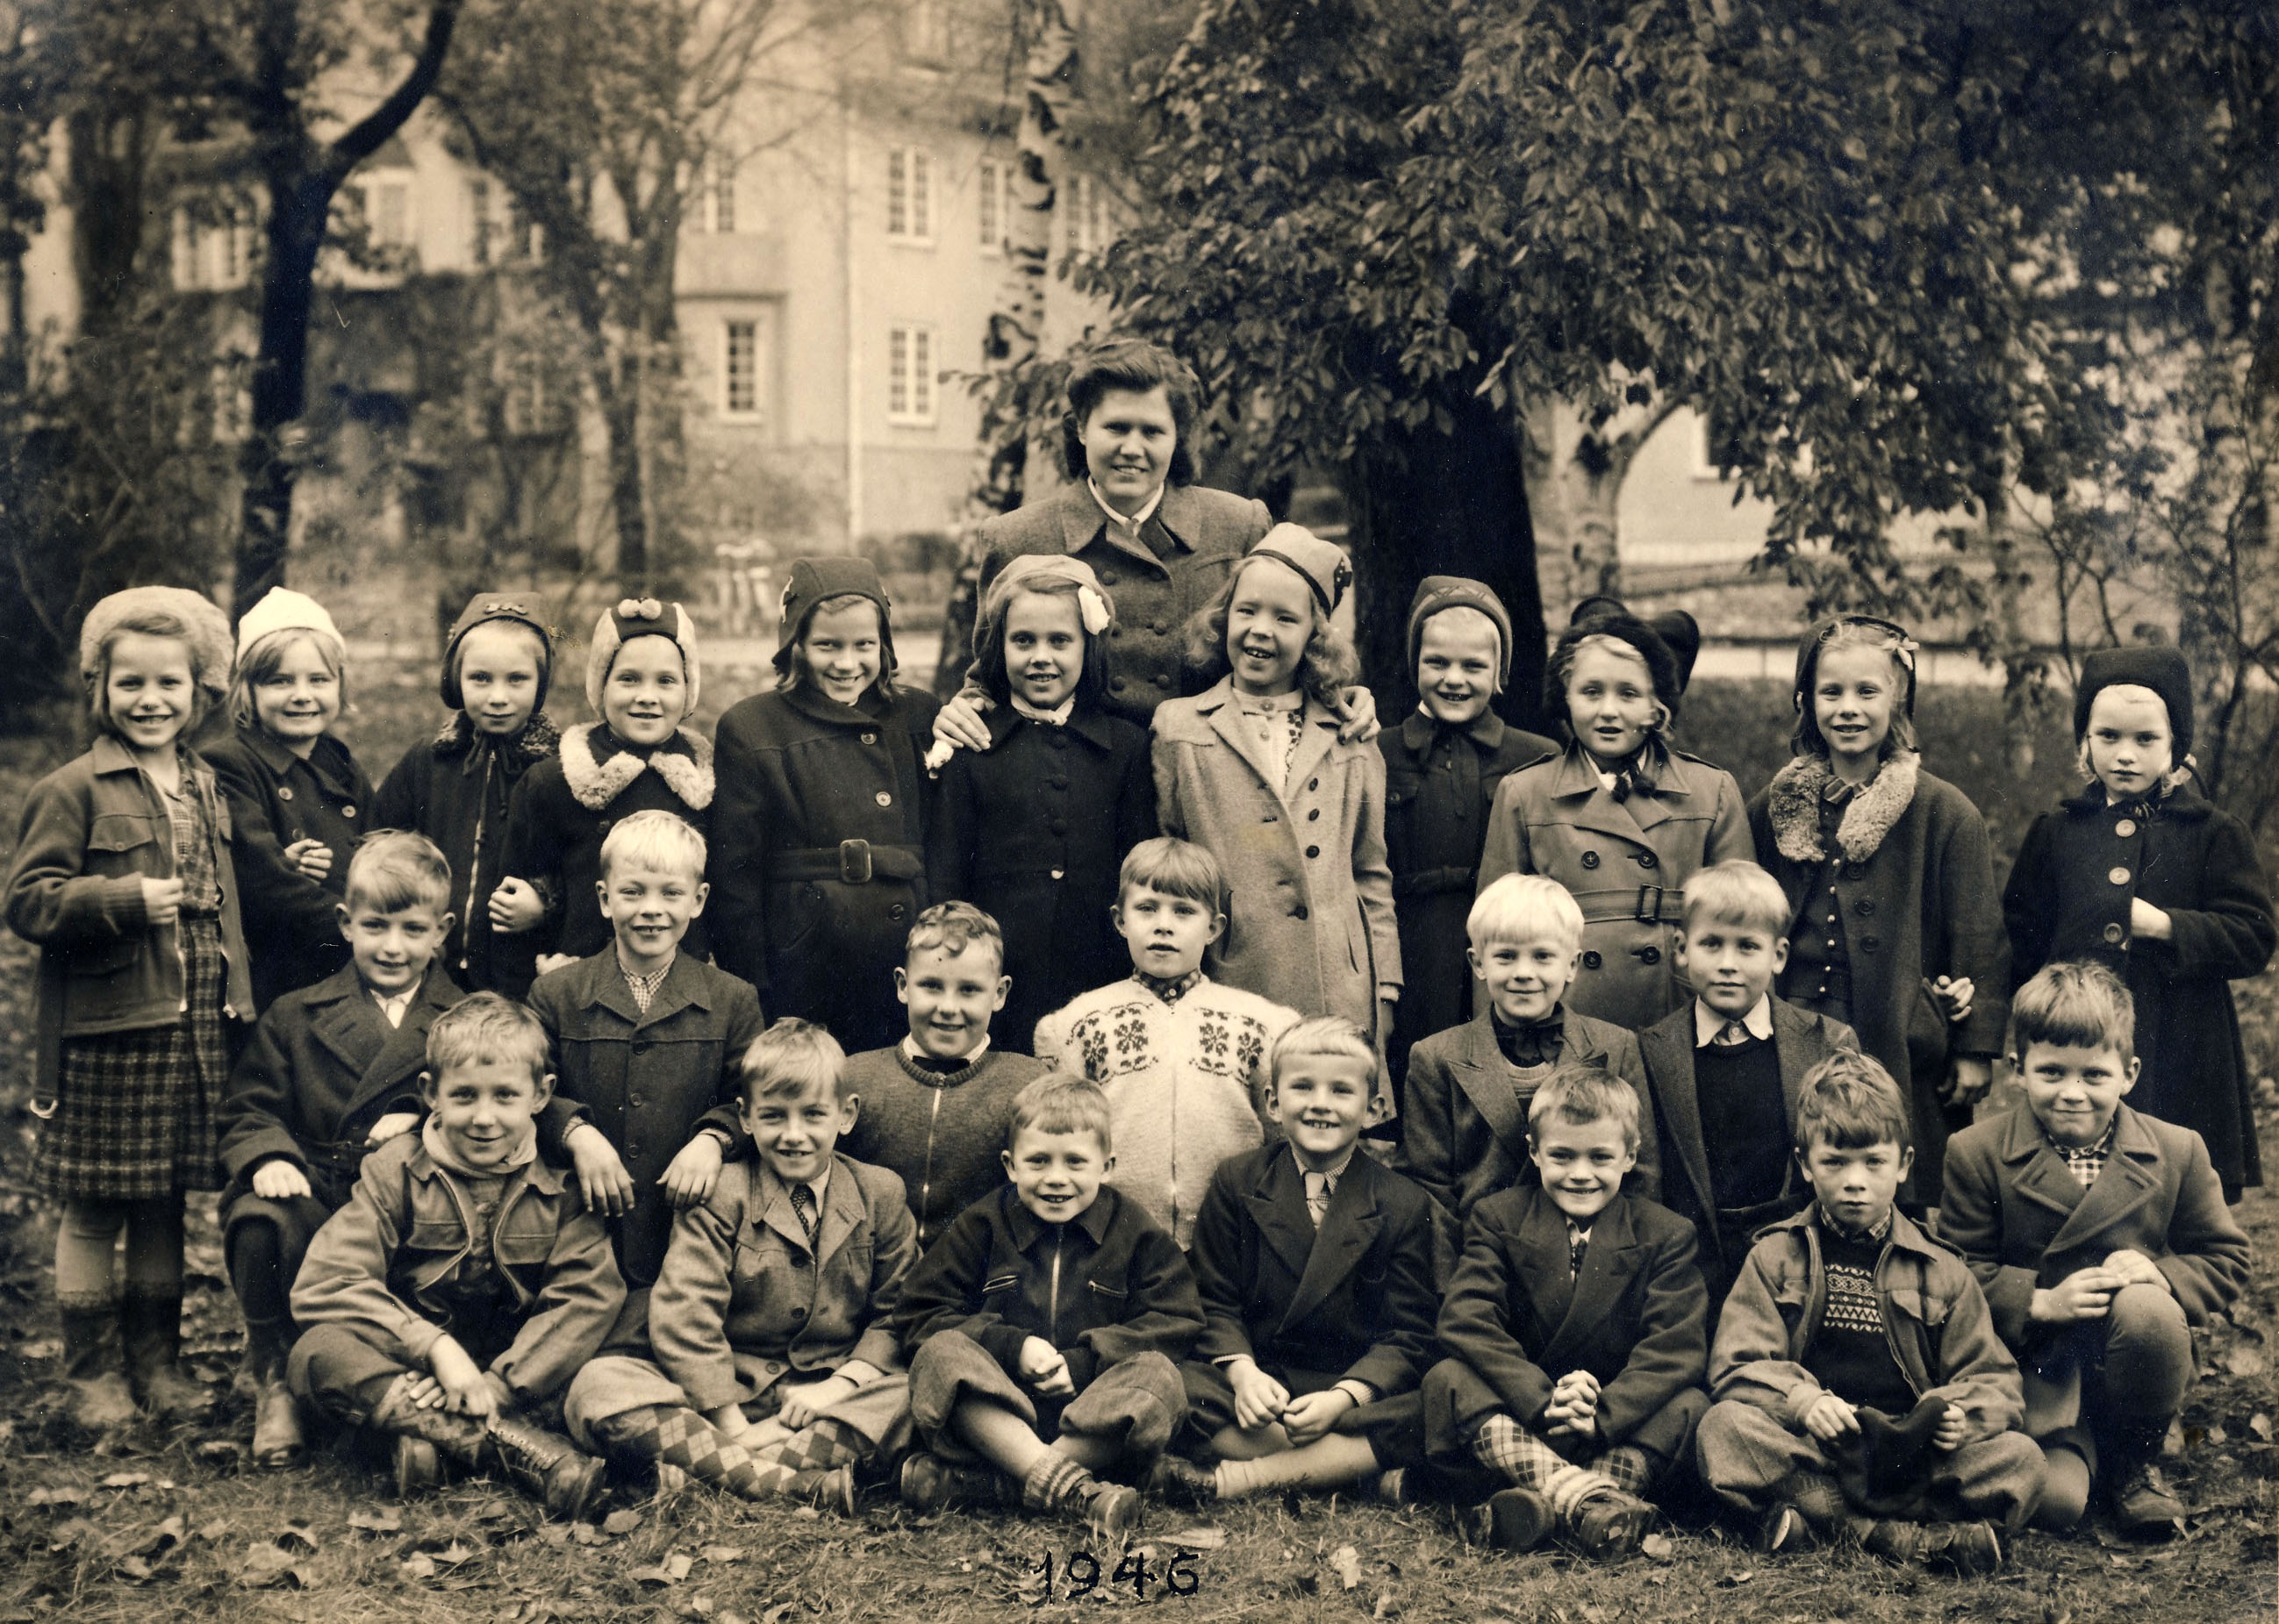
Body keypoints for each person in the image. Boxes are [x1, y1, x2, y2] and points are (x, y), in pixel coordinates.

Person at [6, 587, 252, 1428]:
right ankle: (90, 1377)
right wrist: (118, 899)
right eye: (130, 683)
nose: (150, 700)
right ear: (100, 689)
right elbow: (28, 901)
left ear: (199, 691)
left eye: (169, 683)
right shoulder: (72, 787)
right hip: (109, 1033)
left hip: (194, 1030)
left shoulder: (207, 783)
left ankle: (157, 1366)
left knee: (164, 1199)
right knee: (93, 1204)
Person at [930, 336, 1381, 745]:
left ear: (1177, 438)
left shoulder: (1238, 524)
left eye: (1152, 432)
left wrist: (1344, 697)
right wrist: (962, 712)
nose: (1132, 448)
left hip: (1212, 773)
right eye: (1116, 428)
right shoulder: (1018, 537)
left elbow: (1295, 652)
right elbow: (989, 680)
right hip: (1081, 783)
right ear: (1082, 429)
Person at [1695, 1053, 2042, 1571]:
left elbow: (1995, 1380)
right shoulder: (1774, 1256)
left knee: (2022, 1459)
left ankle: (1824, 1523)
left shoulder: (1942, 1269)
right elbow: (1737, 1366)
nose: (1854, 1181)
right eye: (1835, 1162)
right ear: (1805, 1164)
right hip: (1820, 1447)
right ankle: (1902, 1537)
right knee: (1722, 1428)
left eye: (1874, 1163)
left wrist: (1960, 1417)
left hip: (1913, 1453)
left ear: (1903, 1164)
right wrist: (1802, 1402)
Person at [1940, 962, 2250, 1537]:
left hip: (2132, 1361)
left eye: (2094, 1074)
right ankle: (2067, 1451)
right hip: (2034, 1366)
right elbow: (1952, 1273)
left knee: (2148, 1311)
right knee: (2057, 1503)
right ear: (2017, 1069)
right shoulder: (1975, 1151)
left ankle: (2134, 1460)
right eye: (2051, 1072)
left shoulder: (2177, 1149)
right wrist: (2038, 1301)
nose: (2072, 1092)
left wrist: (2161, 1275)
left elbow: (2226, 1257)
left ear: (2128, 1074)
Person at [287, 994, 623, 1517]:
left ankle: (434, 1443)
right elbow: (328, 1281)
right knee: (315, 1353)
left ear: (541, 1095)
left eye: (505, 1096)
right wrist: (436, 1350)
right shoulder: (395, 1169)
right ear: (431, 1094)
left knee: (610, 1345)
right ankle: (524, 1454)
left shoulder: (564, 1182)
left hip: (524, 1373)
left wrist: (500, 1385)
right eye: (464, 1095)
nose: (484, 1118)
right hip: (413, 1367)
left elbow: (585, 1297)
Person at [563, 1019, 918, 1513]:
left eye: (813, 1115)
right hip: (725, 1395)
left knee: (913, 1394)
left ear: (846, 1114)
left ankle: (716, 1468)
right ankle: (792, 1482)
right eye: (773, 1117)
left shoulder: (880, 1192)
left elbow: (898, 1312)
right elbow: (686, 1314)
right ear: (746, 1118)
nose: (794, 1135)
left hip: (826, 1398)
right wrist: (731, 1423)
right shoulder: (721, 1193)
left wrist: (838, 1388)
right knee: (598, 1386)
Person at [218, 831, 462, 1466]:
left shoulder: (465, 1019)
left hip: (415, 1204)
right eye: (375, 926)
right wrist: (270, 1155)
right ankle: (276, 1376)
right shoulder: (297, 1014)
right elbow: (249, 1105)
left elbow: (491, 1101)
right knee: (261, 1217)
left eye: (413, 929)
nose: (392, 946)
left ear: (441, 932)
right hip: (320, 1190)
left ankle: (396, 1396)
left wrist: (425, 1119)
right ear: (346, 923)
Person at [1749, 616, 2009, 1209]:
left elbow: (1978, 936)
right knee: (1799, 1170)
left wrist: (1974, 1047)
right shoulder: (1771, 808)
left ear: (1897, 698)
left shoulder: (1943, 812)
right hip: (1795, 1021)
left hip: (1898, 1029)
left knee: (1892, 1176)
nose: (1848, 708)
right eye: (1830, 692)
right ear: (1805, 701)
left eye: (1867, 691)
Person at [2003, 646, 2275, 1202]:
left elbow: (2253, 936)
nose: (2125, 755)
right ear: (2085, 741)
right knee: (2078, 1190)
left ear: (2176, 744)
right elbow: (2021, 940)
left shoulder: (2214, 832)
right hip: (2079, 1046)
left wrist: (2167, 926)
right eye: (2108, 736)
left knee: (2176, 1190)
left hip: (2183, 1044)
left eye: (2146, 739)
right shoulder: (2057, 832)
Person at [894, 1073, 1204, 1535]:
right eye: (1038, 1161)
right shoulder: (983, 1224)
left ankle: (1000, 1483)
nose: (1056, 1178)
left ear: (1106, 1166)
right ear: (1010, 1165)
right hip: (997, 1411)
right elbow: (921, 1310)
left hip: (1094, 1413)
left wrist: (1083, 1362)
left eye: (1075, 1161)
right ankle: (1076, 1491)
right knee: (939, 1354)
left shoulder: (1135, 1230)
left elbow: (1176, 1318)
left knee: (1160, 1377)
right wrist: (1011, 1347)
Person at [1423, 1064, 1708, 1560]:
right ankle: (1592, 1504)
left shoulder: (1666, 1233)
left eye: (1600, 1157)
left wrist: (1603, 1414)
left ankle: (1545, 1506)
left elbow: (1674, 1346)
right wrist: (1543, 1399)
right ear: (1534, 1152)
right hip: (1526, 1416)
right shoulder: (1498, 1217)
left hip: (1611, 1422)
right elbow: (1467, 1318)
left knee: (1690, 1405)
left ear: (1630, 1155)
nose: (1580, 1174)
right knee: (1447, 1378)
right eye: (1561, 1156)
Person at [1152, 1018, 1438, 1507]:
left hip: (1346, 1387)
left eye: (1341, 1090)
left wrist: (1344, 1398)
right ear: (1272, 1102)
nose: (1320, 1103)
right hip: (1262, 1384)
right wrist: (1243, 1375)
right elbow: (1213, 1299)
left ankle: (1248, 1476)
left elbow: (1408, 1333)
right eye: (1302, 1087)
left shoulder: (1403, 1201)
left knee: (1432, 1405)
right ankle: (1345, 1467)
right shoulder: (1238, 1181)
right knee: (1177, 1384)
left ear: (1373, 1110)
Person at [1150, 525, 1401, 1042]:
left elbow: (1371, 872)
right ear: (1224, 618)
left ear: (1315, 637)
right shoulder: (1179, 728)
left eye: (1285, 618)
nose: (1260, 630)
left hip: (1340, 987)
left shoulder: (1350, 735)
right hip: (1226, 980)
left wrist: (1386, 988)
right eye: (1247, 611)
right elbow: (1166, 863)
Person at [527, 812, 763, 1313]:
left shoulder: (733, 999)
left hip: (686, 1227)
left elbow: (756, 1100)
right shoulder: (556, 995)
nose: (651, 910)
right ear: (604, 898)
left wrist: (714, 1139)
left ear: (698, 900)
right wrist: (576, 1133)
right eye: (632, 892)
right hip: (582, 1228)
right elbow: (523, 1091)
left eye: (671, 893)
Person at [1477, 606, 1752, 1031]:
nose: (1608, 710)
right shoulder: (1526, 795)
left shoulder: (1709, 791)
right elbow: (1494, 931)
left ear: (1656, 707)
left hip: (1682, 1017)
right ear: (1565, 699)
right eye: (1591, 692)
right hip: (1564, 1019)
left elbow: (1746, 925)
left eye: (1628, 694)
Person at [708, 557, 942, 1053]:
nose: (846, 663)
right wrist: (752, 989)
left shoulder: (919, 713)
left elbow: (945, 841)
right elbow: (736, 878)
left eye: (864, 645)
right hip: (804, 957)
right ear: (795, 645)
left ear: (885, 645)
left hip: (908, 954)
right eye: (827, 646)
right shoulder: (752, 727)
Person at [925, 554, 1157, 1049]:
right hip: (1000, 980)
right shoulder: (972, 747)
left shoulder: (1126, 747)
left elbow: (1140, 869)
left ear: (1088, 646)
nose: (1041, 657)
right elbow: (947, 874)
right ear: (1000, 646)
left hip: (1100, 973)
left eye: (1060, 641)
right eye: (1023, 640)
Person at [1032, 838, 1299, 1248]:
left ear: (1214, 928)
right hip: (1113, 1238)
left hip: (1229, 1240)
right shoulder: (1079, 1024)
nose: (1163, 925)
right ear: (1121, 920)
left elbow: (1280, 1138)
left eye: (1184, 911)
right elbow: (1061, 1136)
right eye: (1147, 908)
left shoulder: (1260, 1024)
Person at [1633, 862, 1860, 1304]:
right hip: (1690, 1268)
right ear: (1681, 948)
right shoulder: (1651, 1050)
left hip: (1798, 1266)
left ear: (1779, 956)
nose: (1728, 965)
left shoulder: (1827, 1043)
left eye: (1748, 947)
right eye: (1711, 944)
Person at [1379, 577, 1557, 1109]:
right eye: (1436, 662)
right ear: (1414, 664)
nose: (1454, 679)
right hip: (1410, 948)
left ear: (1500, 673)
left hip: (1504, 949)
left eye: (1474, 666)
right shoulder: (1376, 752)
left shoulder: (1538, 757)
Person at [1398, 874, 1657, 1224]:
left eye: (1542, 956)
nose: (1523, 972)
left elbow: (1642, 1178)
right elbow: (1429, 1191)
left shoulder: (1617, 1047)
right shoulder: (1436, 1057)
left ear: (1572, 965)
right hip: (1476, 1247)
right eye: (1506, 956)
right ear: (1478, 964)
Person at [493, 598, 713, 987]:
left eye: (666, 681)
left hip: (683, 984)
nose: (647, 696)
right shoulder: (554, 781)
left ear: (688, 689)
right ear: (600, 685)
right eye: (629, 679)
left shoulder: (710, 784)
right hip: (579, 986)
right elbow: (516, 901)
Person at [372, 591, 561, 996]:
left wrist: (545, 901)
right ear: (456, 679)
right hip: (428, 969)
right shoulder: (429, 760)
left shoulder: (557, 770)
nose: (498, 697)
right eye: (480, 678)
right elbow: (379, 841)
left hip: (518, 973)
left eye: (517, 679)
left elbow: (580, 864)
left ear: (541, 683)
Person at [840, 903, 1049, 1248]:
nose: (949, 1008)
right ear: (903, 985)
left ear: (999, 993)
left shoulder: (1029, 1084)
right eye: (932, 986)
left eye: (969, 990)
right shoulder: (856, 1076)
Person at [206, 587, 375, 1009]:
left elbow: (380, 845)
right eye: (280, 681)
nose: (302, 694)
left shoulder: (339, 763)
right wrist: (365, 931)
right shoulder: (231, 763)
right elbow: (267, 882)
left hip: (356, 964)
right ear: (248, 690)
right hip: (282, 974)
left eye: (319, 680)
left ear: (339, 686)